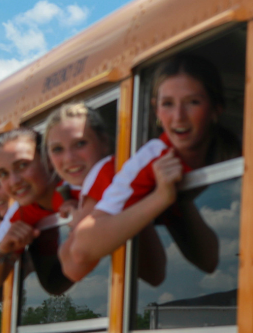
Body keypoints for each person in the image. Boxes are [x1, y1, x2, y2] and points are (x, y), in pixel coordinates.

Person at [69, 54, 240, 277]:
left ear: (216, 108)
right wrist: (161, 198)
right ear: (156, 110)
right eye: (167, 104)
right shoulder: (150, 160)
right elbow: (82, 247)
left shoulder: (240, 147)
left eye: (193, 102)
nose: (178, 117)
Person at [43, 102, 165, 285]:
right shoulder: (97, 180)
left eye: (80, 143)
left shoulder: (103, 172)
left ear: (104, 142)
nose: (69, 158)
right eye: (57, 149)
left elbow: (74, 266)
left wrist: (77, 225)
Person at [0, 128, 73, 294]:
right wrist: (2, 249)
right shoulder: (21, 212)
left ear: (48, 160)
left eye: (22, 165)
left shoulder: (77, 187)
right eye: (3, 174)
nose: (14, 181)